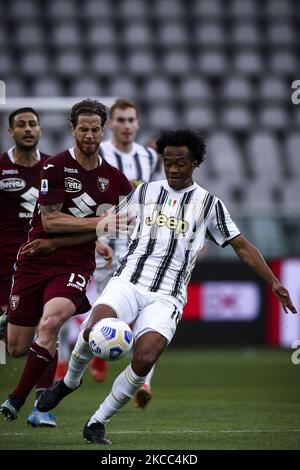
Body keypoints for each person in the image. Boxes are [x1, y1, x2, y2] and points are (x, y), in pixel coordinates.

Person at [35, 128, 297, 445]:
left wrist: (273, 281)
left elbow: (241, 245)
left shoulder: (208, 205)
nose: (172, 168)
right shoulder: (144, 192)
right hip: (128, 280)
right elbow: (108, 222)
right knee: (93, 330)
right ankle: (69, 382)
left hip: (167, 296)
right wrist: (86, 243)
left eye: (180, 162)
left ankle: (97, 422)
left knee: (145, 359)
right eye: (167, 161)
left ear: (196, 163)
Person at [0, 99, 132, 423]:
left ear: (104, 130)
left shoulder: (116, 181)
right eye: (83, 129)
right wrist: (100, 226)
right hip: (35, 258)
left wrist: (97, 237)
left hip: (75, 262)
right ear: (73, 129)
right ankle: (10, 329)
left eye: (95, 129)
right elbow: (51, 222)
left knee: (51, 321)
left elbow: (120, 224)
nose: (89, 135)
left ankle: (22, 402)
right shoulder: (54, 167)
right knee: (16, 347)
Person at [90, 98, 157, 408]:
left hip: (138, 245)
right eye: (121, 120)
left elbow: (156, 198)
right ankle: (96, 349)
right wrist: (92, 235)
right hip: (105, 241)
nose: (127, 125)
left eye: (132, 120)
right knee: (104, 308)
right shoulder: (99, 152)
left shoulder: (149, 157)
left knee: (146, 309)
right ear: (111, 124)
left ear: (138, 124)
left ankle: (144, 381)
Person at [0, 107, 57, 427]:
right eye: (20, 125)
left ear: (39, 129)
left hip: (40, 263)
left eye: (32, 124)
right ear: (11, 132)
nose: (27, 129)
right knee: (16, 347)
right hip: (4, 266)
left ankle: (43, 404)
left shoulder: (53, 167)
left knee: (50, 326)